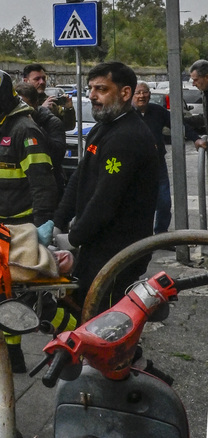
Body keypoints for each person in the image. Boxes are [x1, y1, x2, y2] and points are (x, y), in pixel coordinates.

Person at [0, 68, 60, 374]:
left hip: (19, 231)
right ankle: (10, 355)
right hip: (1, 225)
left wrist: (42, 226)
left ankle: (84, 332)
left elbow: (42, 184)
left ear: (3, 99)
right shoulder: (0, 126)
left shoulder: (23, 130)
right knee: (1, 294)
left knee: (31, 299)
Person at [52, 62, 159, 311]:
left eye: (101, 89)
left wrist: (73, 238)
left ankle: (121, 352)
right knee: (80, 313)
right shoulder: (103, 128)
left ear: (125, 93)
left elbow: (105, 200)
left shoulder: (127, 137)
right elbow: (80, 177)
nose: (91, 95)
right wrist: (57, 220)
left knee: (104, 321)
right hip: (97, 247)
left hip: (119, 251)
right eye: (90, 88)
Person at [132, 81, 202, 234]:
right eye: (138, 93)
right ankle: (139, 238)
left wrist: (195, 138)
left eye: (145, 92)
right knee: (138, 204)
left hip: (157, 164)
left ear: (149, 95)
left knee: (164, 202)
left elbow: (178, 124)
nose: (142, 96)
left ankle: (160, 235)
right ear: (131, 95)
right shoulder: (127, 114)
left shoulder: (158, 111)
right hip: (135, 167)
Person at [15, 81, 67, 200]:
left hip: (48, 190)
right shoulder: (12, 125)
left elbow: (57, 156)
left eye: (24, 105)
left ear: (35, 104)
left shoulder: (52, 123)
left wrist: (35, 128)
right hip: (20, 193)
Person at [23, 63, 76, 131]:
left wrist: (69, 109)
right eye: (37, 79)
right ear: (25, 81)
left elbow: (68, 126)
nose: (42, 82)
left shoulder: (51, 102)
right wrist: (42, 110)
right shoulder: (20, 103)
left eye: (43, 78)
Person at [189, 59, 208, 151]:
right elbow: (205, 118)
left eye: (195, 80)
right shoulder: (205, 93)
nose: (193, 84)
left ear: (206, 77)